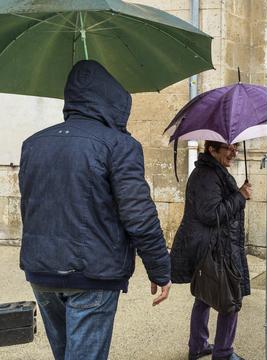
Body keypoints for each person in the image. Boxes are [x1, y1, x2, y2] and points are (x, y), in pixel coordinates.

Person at [18, 60, 172, 360]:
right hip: (92, 275)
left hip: (41, 271)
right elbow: (138, 214)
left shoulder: (32, 144)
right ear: (114, 102)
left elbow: (32, 204)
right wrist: (160, 269)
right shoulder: (119, 145)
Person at [170, 140, 252, 360]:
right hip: (216, 248)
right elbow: (211, 214)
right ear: (212, 149)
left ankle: (198, 346)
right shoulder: (208, 175)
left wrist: (236, 193)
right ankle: (223, 353)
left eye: (235, 146)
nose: (234, 151)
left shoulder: (211, 172)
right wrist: (240, 196)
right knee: (230, 298)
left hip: (210, 246)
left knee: (204, 296)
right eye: (229, 147)